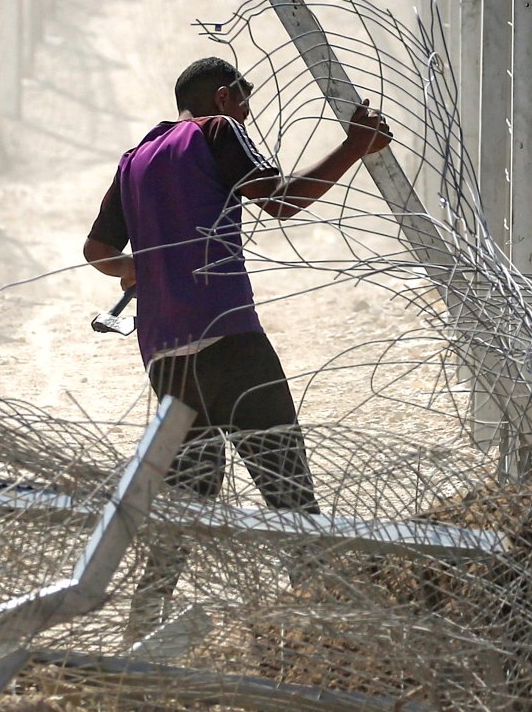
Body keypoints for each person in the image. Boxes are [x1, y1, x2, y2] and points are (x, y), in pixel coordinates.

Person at [82, 56, 391, 637]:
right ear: (224, 97)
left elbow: (96, 249)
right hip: (229, 340)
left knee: (187, 498)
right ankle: (332, 626)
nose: (248, 118)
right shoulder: (217, 132)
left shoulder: (134, 162)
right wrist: (356, 145)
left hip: (166, 356)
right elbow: (281, 200)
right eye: (245, 105)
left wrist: (142, 270)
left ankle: (143, 623)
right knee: (288, 488)